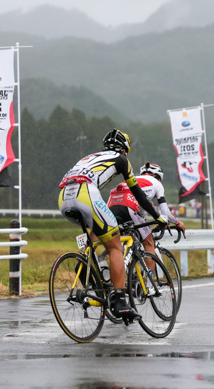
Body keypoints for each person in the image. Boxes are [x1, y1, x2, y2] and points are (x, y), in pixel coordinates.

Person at [58, 129, 168, 322]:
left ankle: (87, 268)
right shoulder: (122, 160)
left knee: (96, 235)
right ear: (125, 150)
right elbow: (138, 193)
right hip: (86, 194)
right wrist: (156, 216)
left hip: (64, 197)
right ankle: (119, 301)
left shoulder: (90, 157)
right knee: (116, 245)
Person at [107, 162, 185, 278]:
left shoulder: (132, 179)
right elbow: (165, 212)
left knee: (121, 242)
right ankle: (149, 285)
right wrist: (178, 223)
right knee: (149, 242)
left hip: (112, 203)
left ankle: (125, 277)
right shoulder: (157, 183)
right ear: (158, 177)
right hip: (130, 204)